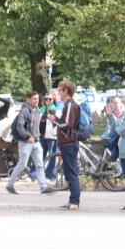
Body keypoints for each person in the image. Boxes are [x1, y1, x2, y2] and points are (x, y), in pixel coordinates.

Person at [5, 92, 59, 196]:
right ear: (28, 99)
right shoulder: (24, 110)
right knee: (22, 164)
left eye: (38, 99)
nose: (36, 100)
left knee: (39, 164)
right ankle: (10, 185)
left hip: (36, 141)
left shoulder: (38, 110)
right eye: (34, 99)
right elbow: (19, 127)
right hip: (25, 142)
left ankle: (43, 187)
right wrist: (27, 136)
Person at [54, 80, 82, 210]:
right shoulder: (68, 104)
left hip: (69, 142)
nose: (58, 92)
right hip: (67, 142)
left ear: (66, 91)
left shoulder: (70, 104)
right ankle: (72, 200)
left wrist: (55, 121)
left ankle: (75, 201)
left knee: (71, 172)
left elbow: (67, 124)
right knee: (68, 171)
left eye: (60, 89)